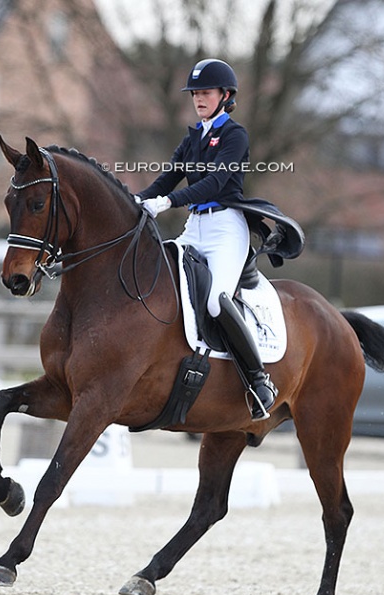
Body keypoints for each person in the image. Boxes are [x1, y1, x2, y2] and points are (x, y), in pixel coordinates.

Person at [136, 58, 277, 421]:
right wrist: (134, 201)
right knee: (162, 282)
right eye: (195, 93)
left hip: (226, 229)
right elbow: (167, 179)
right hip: (195, 227)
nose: (199, 98)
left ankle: (259, 381)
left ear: (225, 96)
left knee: (215, 300)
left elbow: (213, 183)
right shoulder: (192, 137)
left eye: (206, 92)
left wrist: (168, 203)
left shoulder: (235, 136)